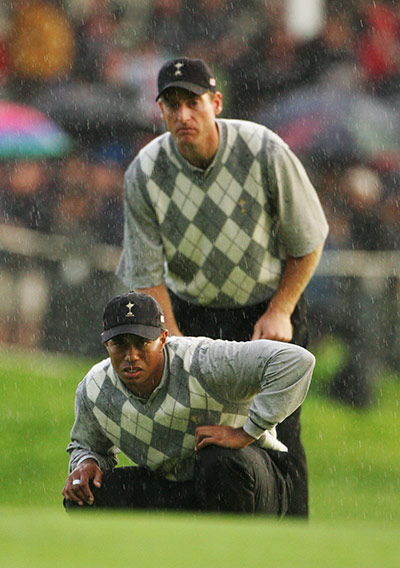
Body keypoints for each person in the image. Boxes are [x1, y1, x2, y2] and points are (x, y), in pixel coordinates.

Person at [116, 57, 329, 516]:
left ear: (216, 102)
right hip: (193, 315)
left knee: (279, 435)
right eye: (171, 105)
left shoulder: (263, 150)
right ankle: (213, 544)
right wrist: (174, 346)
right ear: (161, 111)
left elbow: (308, 239)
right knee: (200, 436)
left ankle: (294, 545)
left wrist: (280, 309)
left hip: (268, 308)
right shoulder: (145, 172)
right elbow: (147, 272)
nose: (182, 115)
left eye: (192, 103)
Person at [62, 291, 315, 515]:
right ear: (106, 342)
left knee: (219, 461)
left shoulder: (203, 361)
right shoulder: (94, 388)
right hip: (178, 486)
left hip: (254, 478)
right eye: (119, 344)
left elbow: (296, 361)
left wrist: (246, 433)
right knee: (82, 494)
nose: (131, 356)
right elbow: (85, 445)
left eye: (142, 343)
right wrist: (86, 463)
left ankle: (233, 554)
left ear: (163, 339)